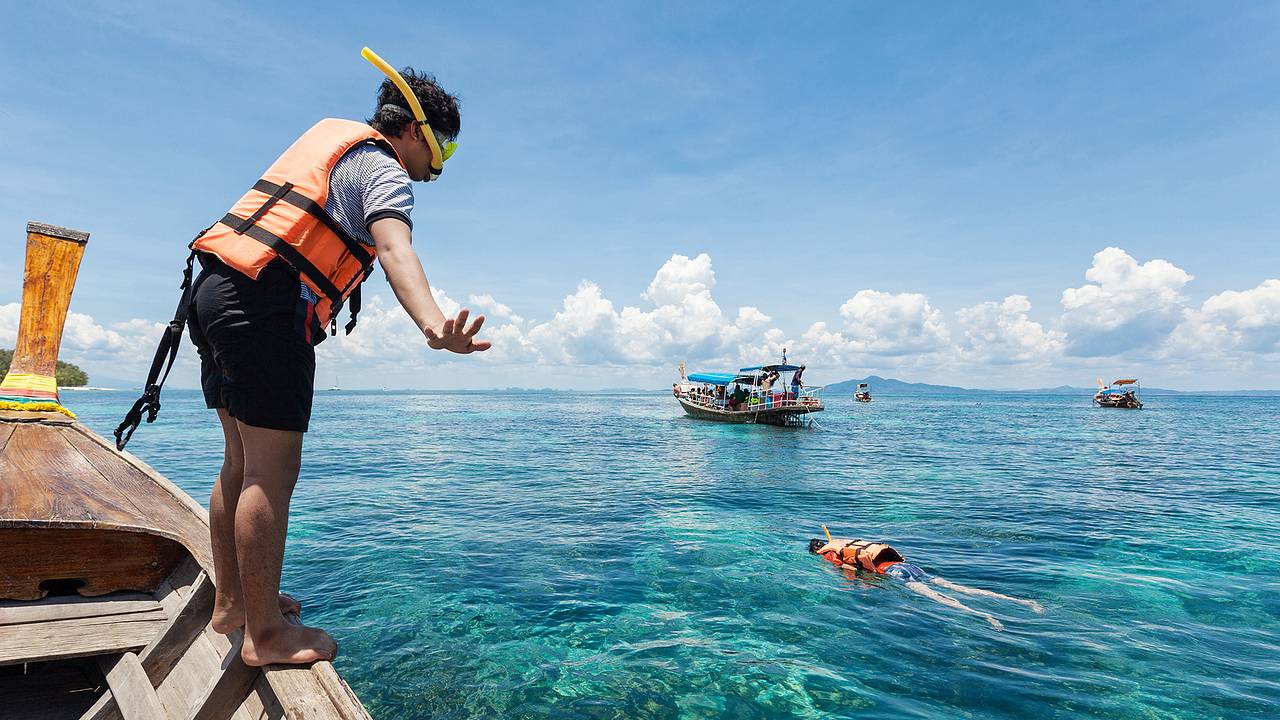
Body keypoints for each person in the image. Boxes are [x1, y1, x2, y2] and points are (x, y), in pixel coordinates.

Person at [178, 66, 489, 666]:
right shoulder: (384, 170)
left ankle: (236, 605)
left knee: (239, 462)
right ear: (416, 133)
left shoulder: (334, 145)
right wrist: (433, 326)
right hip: (265, 305)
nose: (441, 164)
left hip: (215, 290)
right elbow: (397, 247)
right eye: (444, 147)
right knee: (270, 474)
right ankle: (266, 637)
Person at [809, 537, 1043, 630]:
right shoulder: (843, 541)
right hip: (909, 566)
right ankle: (1022, 602)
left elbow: (850, 572)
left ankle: (984, 616)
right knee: (959, 588)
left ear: (817, 551)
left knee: (938, 597)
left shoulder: (830, 554)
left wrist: (856, 584)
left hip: (893, 572)